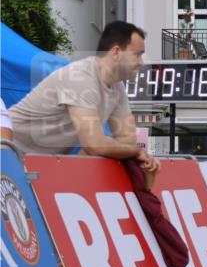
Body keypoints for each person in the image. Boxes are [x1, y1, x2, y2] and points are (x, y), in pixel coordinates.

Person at [9, 21, 160, 179]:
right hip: (8, 154)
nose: (141, 63)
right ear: (116, 52)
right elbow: (95, 145)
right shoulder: (79, 77)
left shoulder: (117, 87)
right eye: (137, 54)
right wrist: (135, 151)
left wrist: (107, 147)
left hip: (31, 165)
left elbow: (126, 140)